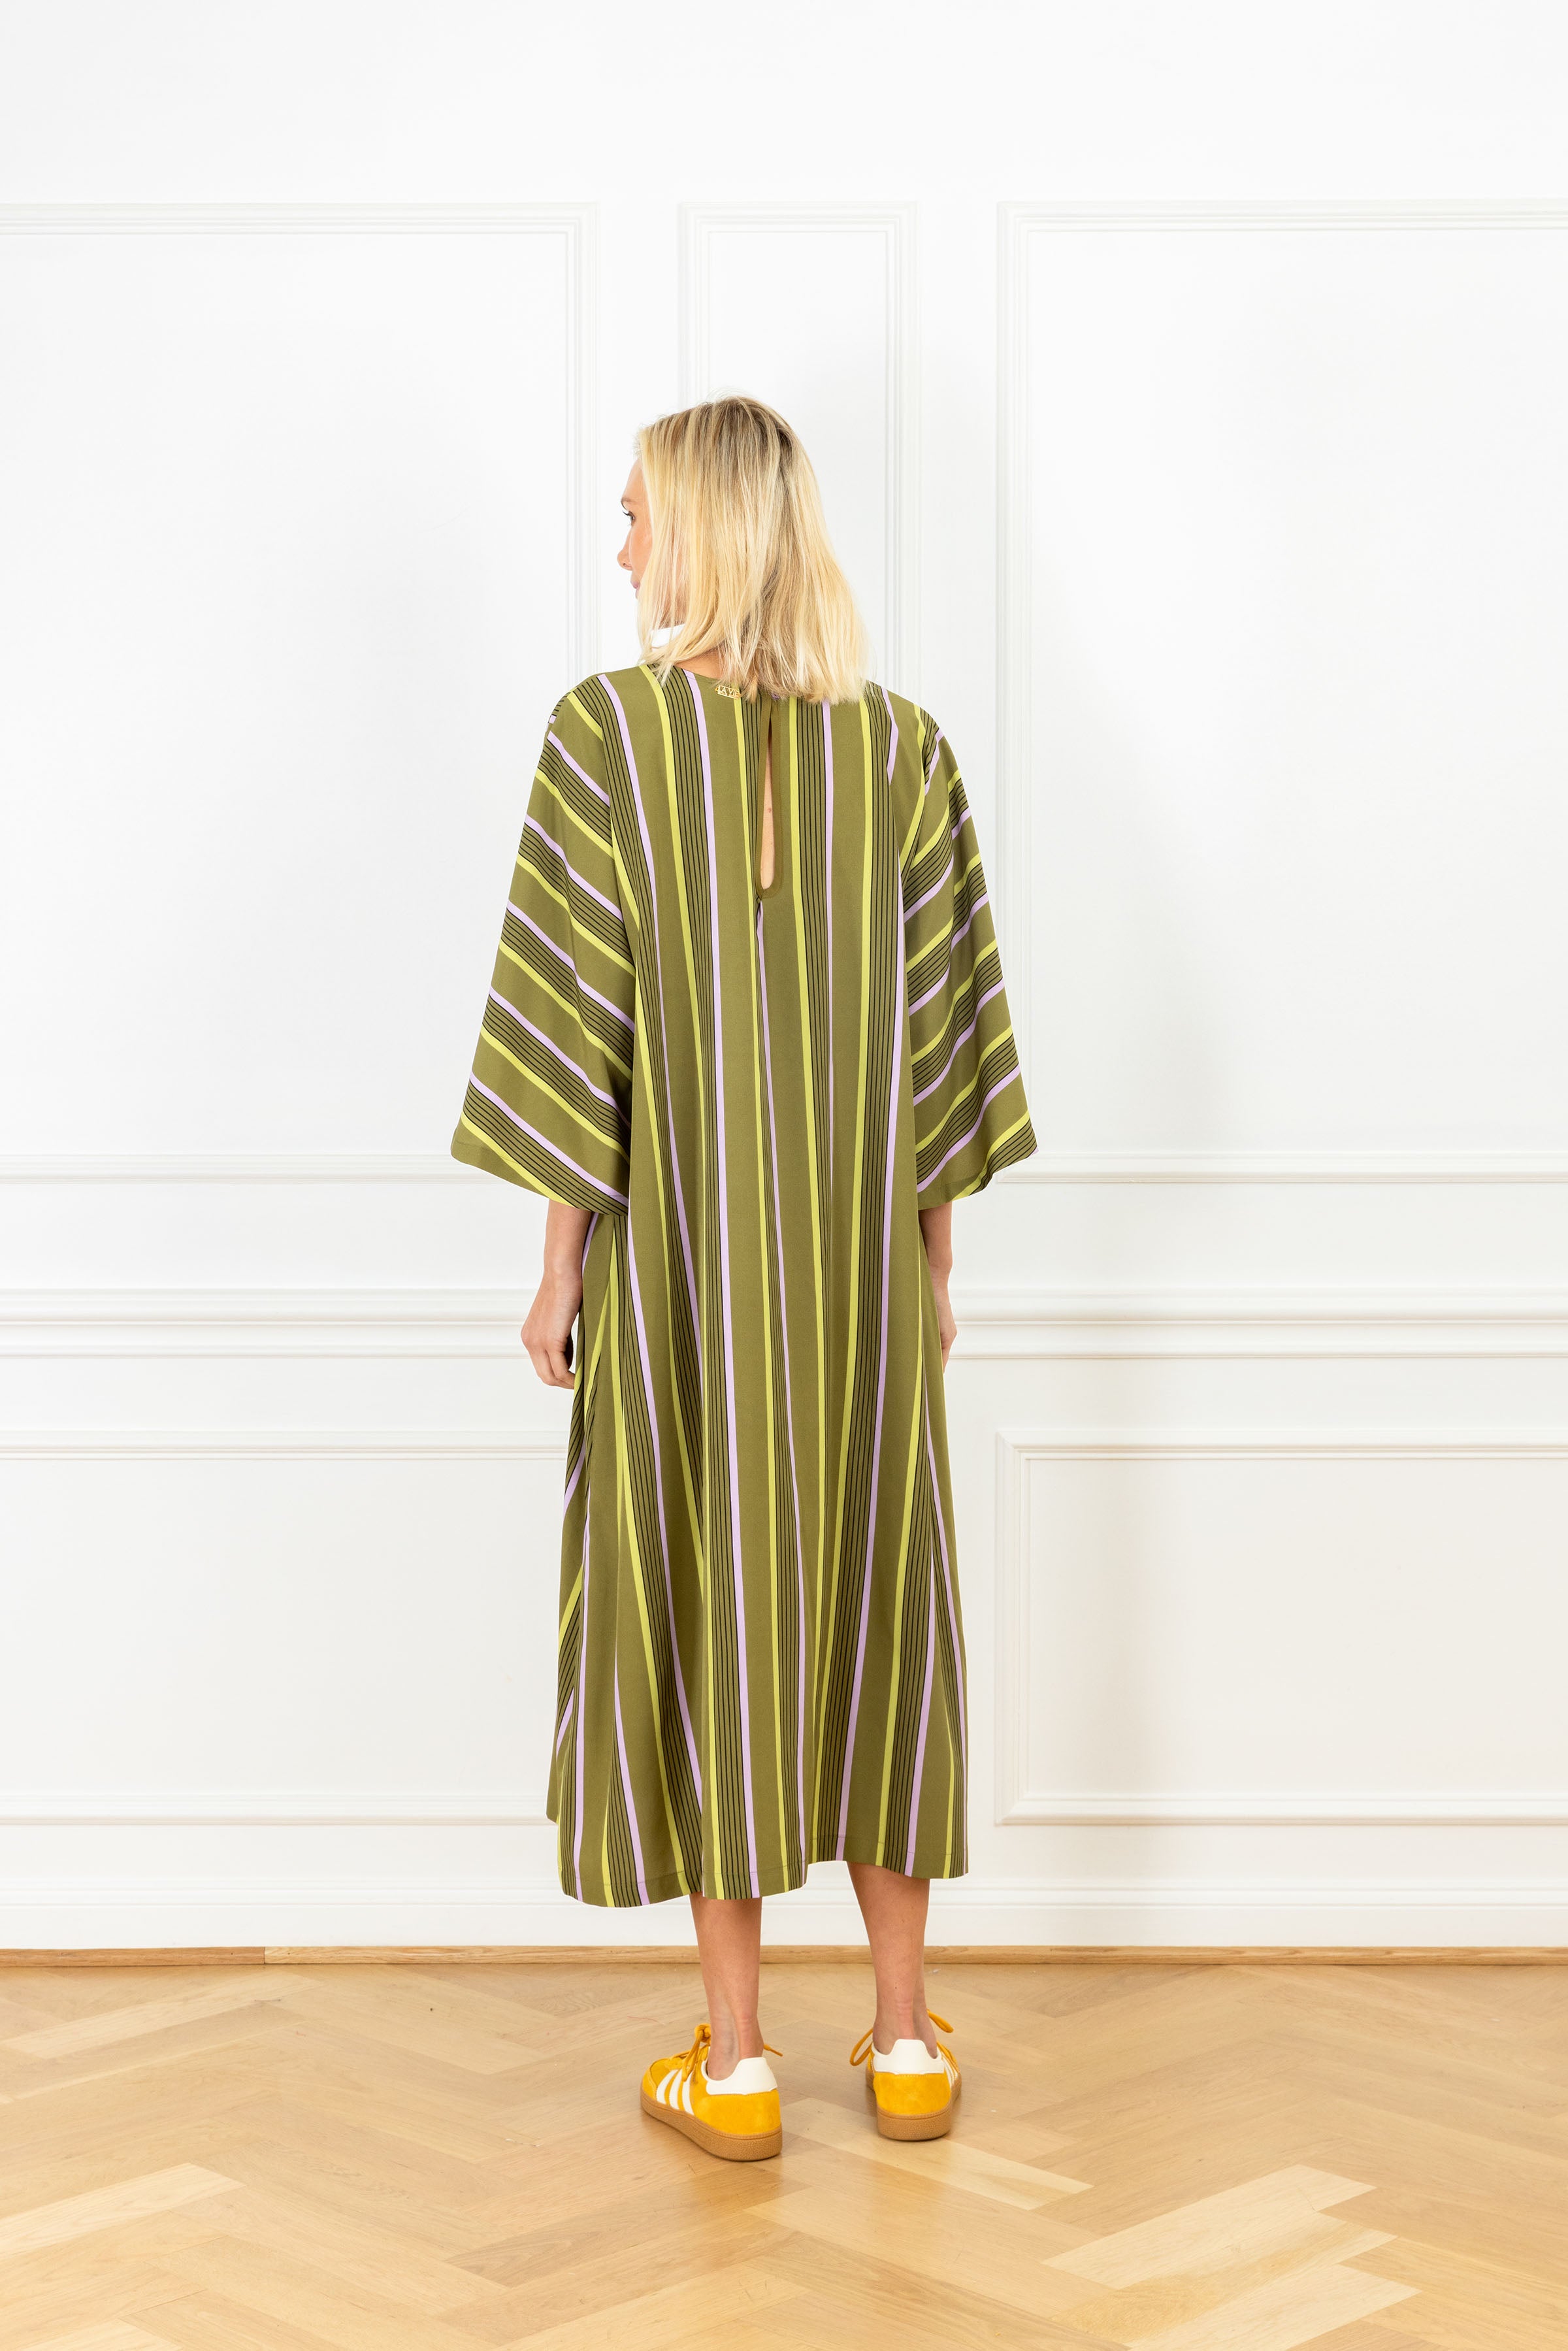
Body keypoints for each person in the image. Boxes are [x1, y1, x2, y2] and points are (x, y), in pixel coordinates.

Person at [451, 394, 1035, 2162]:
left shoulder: (607, 739)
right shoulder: (905, 750)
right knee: (876, 1621)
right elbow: (942, 1053)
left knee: (715, 1617)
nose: (622, 543)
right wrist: (931, 1274)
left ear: (703, 529)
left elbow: (577, 1032)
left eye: (638, 512)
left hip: (686, 1284)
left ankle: (737, 2061)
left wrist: (557, 1274)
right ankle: (907, 2040)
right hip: (860, 1300)